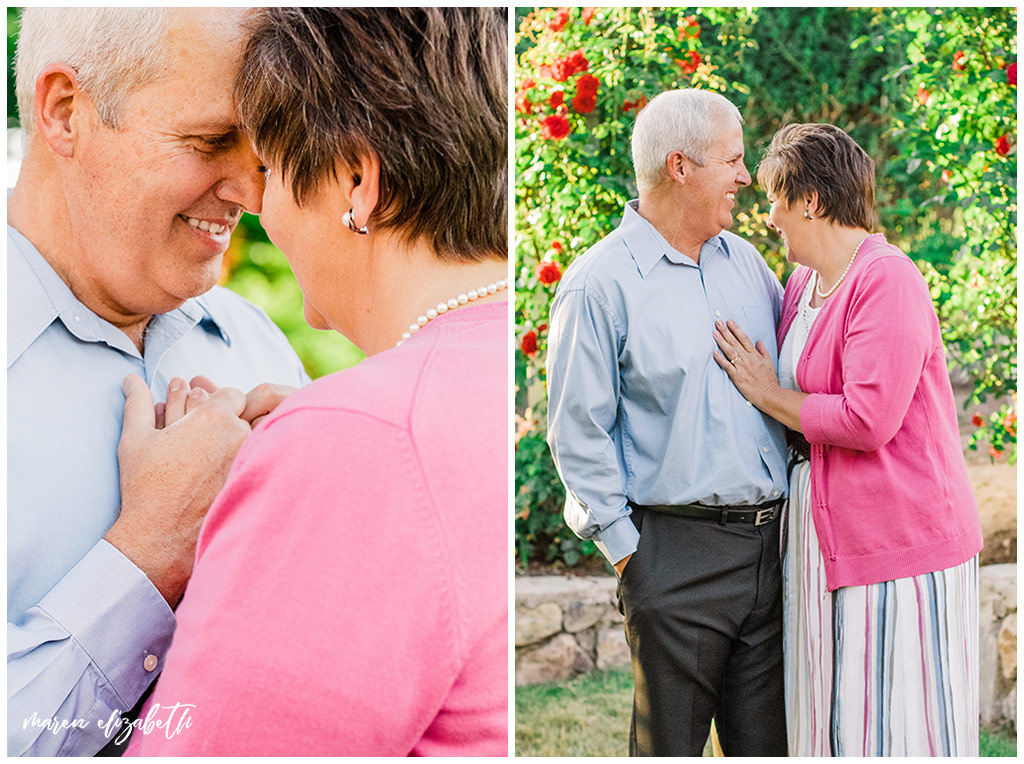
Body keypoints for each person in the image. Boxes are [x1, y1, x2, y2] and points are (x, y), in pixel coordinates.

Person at [127, 8, 508, 756]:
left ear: (357, 182)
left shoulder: (359, 441)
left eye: (267, 169)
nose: (254, 204)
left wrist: (321, 460)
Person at [7, 8, 308, 757]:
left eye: (262, 150)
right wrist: (151, 554)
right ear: (66, 112)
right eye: (211, 142)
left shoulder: (257, 346)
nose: (253, 192)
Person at [713, 123, 983, 756]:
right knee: (830, 721)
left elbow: (869, 419)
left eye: (777, 198)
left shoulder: (887, 279)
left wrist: (764, 392)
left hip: (899, 543)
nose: (769, 215)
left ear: (810, 200)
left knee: (892, 726)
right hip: (821, 538)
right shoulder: (804, 286)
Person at [546, 89, 789, 756]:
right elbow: (577, 434)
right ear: (680, 167)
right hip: (672, 561)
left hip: (773, 552)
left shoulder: (747, 265)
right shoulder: (599, 285)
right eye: (733, 161)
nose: (745, 177)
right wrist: (634, 560)